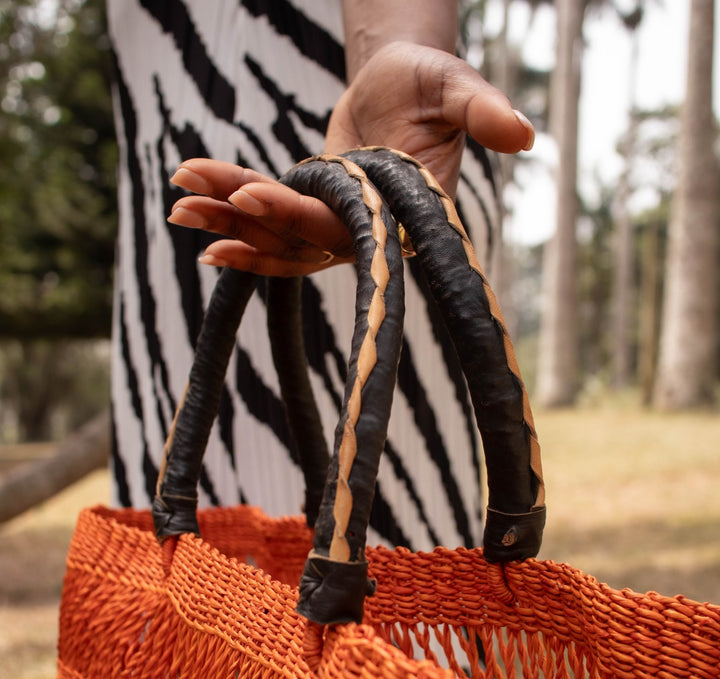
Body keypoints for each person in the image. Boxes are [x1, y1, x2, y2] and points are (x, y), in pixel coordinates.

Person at [107, 0, 534, 550]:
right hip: (170, 157)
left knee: (394, 529)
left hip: (378, 134)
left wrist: (388, 53)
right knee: (179, 540)